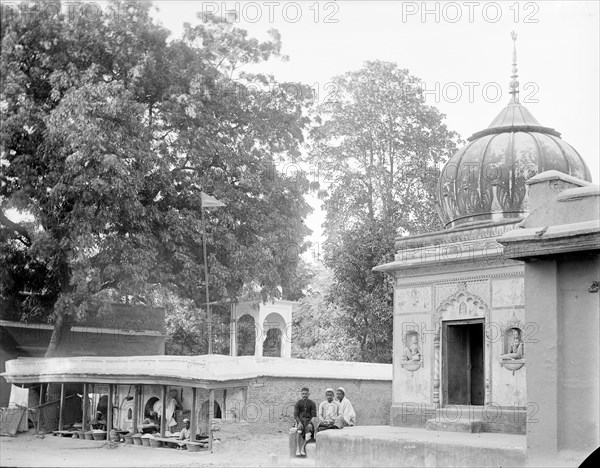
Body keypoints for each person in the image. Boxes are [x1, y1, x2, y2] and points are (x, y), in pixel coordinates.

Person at [293, 387, 317, 457]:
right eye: (303, 394)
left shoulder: (312, 403)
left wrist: (310, 423)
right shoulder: (298, 403)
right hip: (300, 421)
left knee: (308, 433)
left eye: (306, 394)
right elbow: (295, 415)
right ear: (301, 394)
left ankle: (303, 447)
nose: (304, 395)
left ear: (309, 394)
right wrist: (299, 422)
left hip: (309, 421)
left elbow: (313, 416)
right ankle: (298, 448)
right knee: (299, 431)